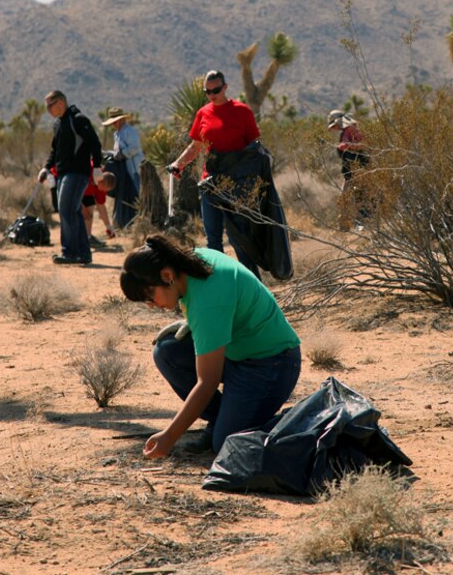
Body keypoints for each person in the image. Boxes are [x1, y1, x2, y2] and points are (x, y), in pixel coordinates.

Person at [120, 234, 301, 457]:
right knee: (167, 351)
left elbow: (207, 382)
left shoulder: (207, 301)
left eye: (150, 297)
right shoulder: (190, 263)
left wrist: (169, 436)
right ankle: (222, 418)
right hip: (239, 354)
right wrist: (194, 323)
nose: (151, 306)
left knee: (226, 444)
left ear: (166, 275)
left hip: (272, 365)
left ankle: (303, 418)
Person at [169, 70, 262, 276]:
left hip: (237, 184)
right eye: (208, 91)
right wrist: (178, 164)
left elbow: (254, 147)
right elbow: (196, 146)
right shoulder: (203, 113)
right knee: (213, 238)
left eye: (216, 90)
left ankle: (252, 283)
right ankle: (218, 281)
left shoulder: (242, 111)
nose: (212, 94)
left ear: (225, 87)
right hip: (210, 182)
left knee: (238, 236)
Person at [39, 91, 102, 265]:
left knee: (66, 209)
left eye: (49, 106)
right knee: (72, 212)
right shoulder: (59, 124)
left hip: (77, 173)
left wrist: (97, 166)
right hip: (63, 173)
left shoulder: (78, 119)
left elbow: (94, 143)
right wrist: (46, 168)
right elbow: (55, 150)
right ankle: (83, 254)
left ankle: (70, 252)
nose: (47, 110)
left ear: (60, 103)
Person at [327, 110, 370, 226]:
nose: (335, 128)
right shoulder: (347, 131)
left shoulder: (350, 130)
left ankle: (358, 223)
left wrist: (347, 146)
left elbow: (364, 145)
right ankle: (346, 224)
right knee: (349, 196)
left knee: (357, 196)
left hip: (357, 168)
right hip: (351, 170)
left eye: (335, 124)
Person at [101, 107, 143, 193]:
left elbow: (135, 147)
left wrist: (122, 154)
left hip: (135, 168)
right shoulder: (117, 134)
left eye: (115, 122)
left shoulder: (129, 131)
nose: (113, 124)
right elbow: (117, 151)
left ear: (121, 120)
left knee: (137, 191)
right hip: (125, 169)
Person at [82, 170, 117, 246]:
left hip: (86, 194)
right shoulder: (89, 175)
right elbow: (75, 195)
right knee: (83, 214)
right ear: (102, 182)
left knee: (90, 208)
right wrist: (83, 209)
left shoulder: (100, 186)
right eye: (105, 189)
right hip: (75, 189)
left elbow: (101, 206)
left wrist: (108, 226)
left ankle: (87, 237)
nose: (105, 191)